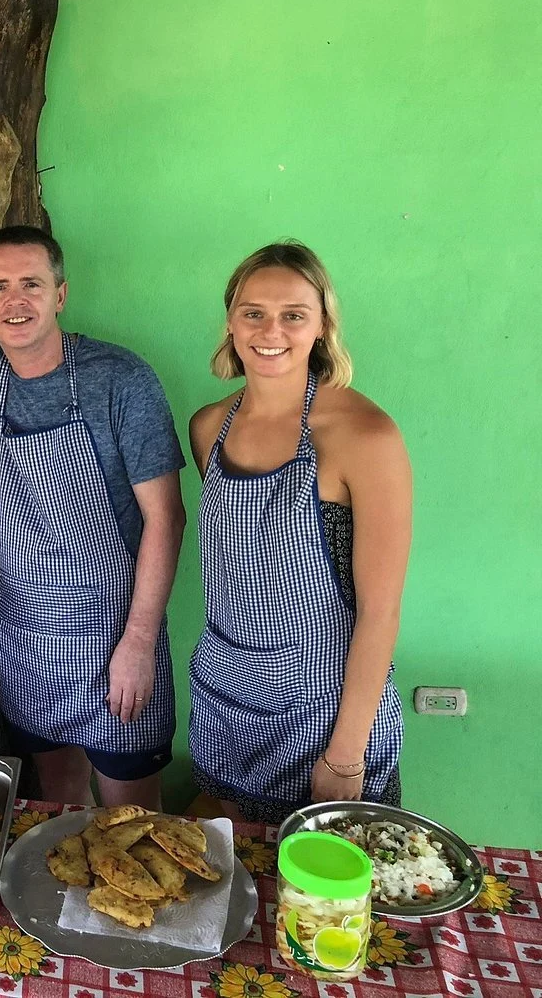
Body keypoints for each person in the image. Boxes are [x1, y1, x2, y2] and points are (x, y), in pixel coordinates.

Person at [188, 241, 409, 823]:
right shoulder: (209, 427)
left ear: (322, 326)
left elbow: (381, 611)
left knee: (321, 904)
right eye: (253, 312)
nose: (271, 330)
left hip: (327, 717)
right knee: (225, 890)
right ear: (231, 321)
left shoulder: (366, 437)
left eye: (294, 315)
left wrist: (344, 757)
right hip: (228, 701)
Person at [0, 226, 185, 809]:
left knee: (134, 822)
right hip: (24, 639)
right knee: (56, 809)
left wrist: (139, 643)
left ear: (59, 295)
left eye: (31, 284)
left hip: (115, 636)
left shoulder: (121, 379)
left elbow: (167, 519)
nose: (16, 302)